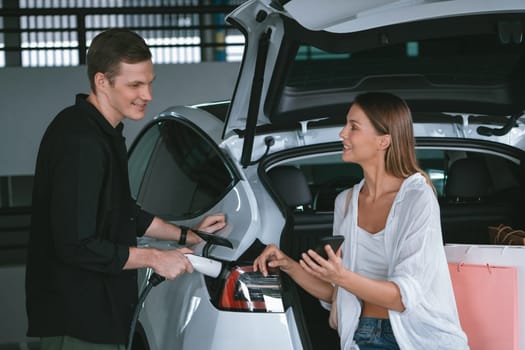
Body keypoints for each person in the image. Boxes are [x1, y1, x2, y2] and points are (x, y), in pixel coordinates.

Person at [25, 29, 226, 350]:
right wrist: (155, 259)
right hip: (77, 323)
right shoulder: (80, 141)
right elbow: (76, 244)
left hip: (102, 319)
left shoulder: (105, 132)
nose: (147, 95)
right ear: (102, 81)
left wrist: (189, 235)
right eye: (135, 84)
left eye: (149, 82)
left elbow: (122, 210)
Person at [254, 92, 468, 349]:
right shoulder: (344, 202)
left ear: (383, 141)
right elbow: (337, 294)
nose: (342, 134)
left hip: (416, 338)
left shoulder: (417, 196)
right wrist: (288, 264)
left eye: (353, 126)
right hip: (362, 333)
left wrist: (342, 277)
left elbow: (403, 298)